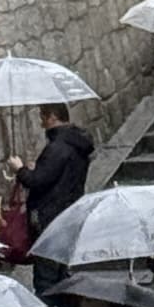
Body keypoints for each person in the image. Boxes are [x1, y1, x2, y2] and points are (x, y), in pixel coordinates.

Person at [17, 102, 93, 242]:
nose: (41, 123)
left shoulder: (57, 147)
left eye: (42, 117)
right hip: (71, 208)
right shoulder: (76, 143)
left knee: (46, 261)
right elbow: (60, 172)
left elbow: (36, 181)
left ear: (52, 117)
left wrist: (20, 169)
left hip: (51, 215)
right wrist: (38, 167)